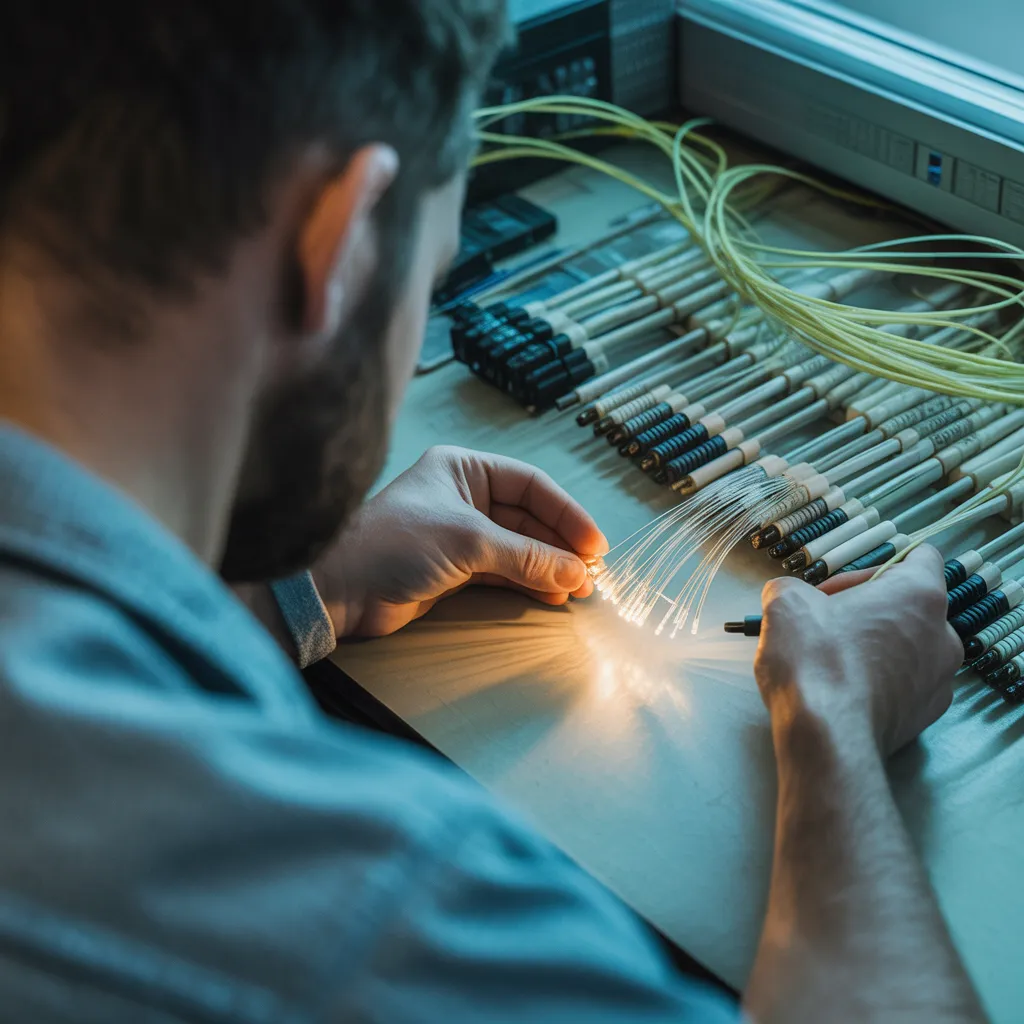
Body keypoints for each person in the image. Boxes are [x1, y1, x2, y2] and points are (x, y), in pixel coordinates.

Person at [0, 2, 988, 1021]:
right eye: (428, 276)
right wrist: (835, 724)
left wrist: (295, 591)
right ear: (335, 245)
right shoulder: (370, 916)